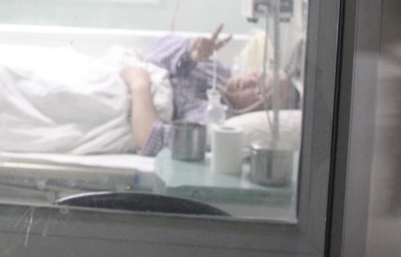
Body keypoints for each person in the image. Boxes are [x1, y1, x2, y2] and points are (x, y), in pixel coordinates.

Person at [121, 24, 298, 157]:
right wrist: (188, 54)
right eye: (260, 75)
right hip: (125, 69)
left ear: (257, 112)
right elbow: (154, 49)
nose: (250, 81)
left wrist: (139, 86)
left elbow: (151, 140)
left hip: (129, 93)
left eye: (259, 90)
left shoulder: (213, 117)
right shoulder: (218, 71)